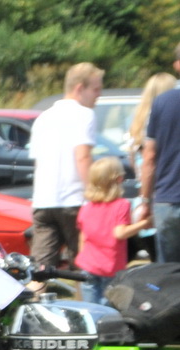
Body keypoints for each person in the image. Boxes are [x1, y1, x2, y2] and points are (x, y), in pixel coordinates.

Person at [27, 63, 103, 270]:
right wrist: (93, 193)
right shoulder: (84, 114)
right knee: (82, 263)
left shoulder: (43, 117)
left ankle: (33, 300)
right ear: (80, 88)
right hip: (74, 199)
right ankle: (84, 301)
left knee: (40, 267)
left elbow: (38, 161)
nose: (99, 94)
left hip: (44, 200)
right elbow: (83, 157)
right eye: (95, 89)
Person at [77, 158, 148, 305]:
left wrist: (82, 259)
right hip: (110, 267)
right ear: (119, 179)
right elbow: (119, 233)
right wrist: (144, 223)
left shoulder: (87, 207)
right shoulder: (121, 205)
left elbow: (83, 236)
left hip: (87, 265)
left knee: (90, 306)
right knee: (107, 309)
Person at [142, 46, 180, 262]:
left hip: (167, 200)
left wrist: (145, 201)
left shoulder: (162, 102)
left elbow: (149, 158)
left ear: (177, 65)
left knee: (168, 274)